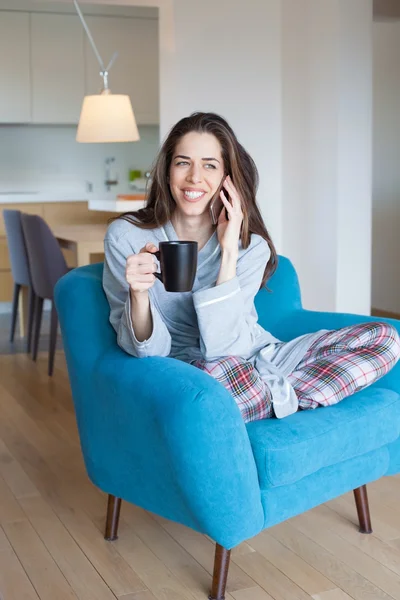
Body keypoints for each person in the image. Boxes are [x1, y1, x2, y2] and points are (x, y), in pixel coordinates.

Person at [103, 112, 400, 422]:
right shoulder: (127, 237)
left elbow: (231, 344)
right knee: (214, 380)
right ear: (167, 173)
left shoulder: (250, 246)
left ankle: (268, 399)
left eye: (210, 165)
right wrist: (138, 295)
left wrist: (229, 252)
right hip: (193, 371)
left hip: (258, 358)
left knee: (385, 337)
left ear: (226, 178)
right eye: (182, 163)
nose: (194, 177)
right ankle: (277, 398)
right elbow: (150, 353)